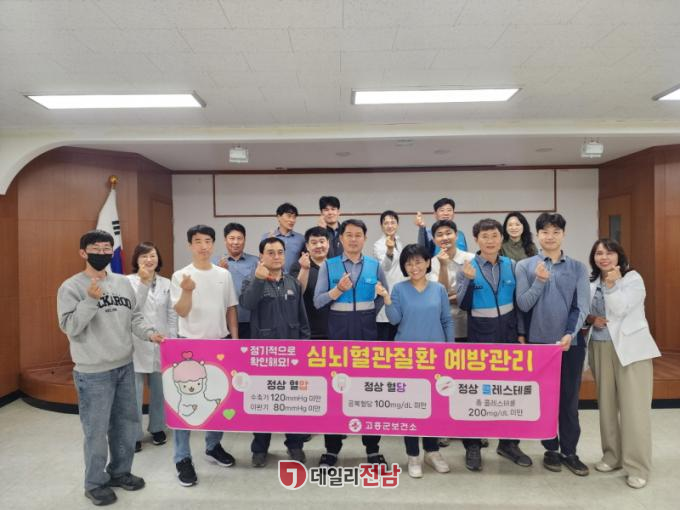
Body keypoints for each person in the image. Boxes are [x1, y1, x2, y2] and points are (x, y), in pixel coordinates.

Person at [57, 229, 163, 506]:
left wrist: (149, 333)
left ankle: (120, 472)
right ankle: (95, 483)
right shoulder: (71, 287)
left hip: (124, 366)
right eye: (96, 248)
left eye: (107, 249)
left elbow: (134, 317)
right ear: (83, 253)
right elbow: (70, 327)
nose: (102, 253)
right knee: (96, 431)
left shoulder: (122, 282)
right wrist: (90, 300)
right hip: (93, 373)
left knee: (126, 425)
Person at [515, 212, 591, 476]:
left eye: (556, 231)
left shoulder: (578, 268)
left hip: (570, 343)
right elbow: (523, 304)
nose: (550, 236)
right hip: (539, 346)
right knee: (545, 401)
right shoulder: (525, 266)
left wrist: (570, 333)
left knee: (569, 401)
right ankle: (551, 449)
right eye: (545, 232)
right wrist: (539, 281)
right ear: (537, 235)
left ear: (563, 234)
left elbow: (581, 306)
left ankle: (570, 452)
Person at [455, 218, 531, 472]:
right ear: (476, 240)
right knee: (477, 392)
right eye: (485, 236)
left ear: (501, 238)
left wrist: (521, 333)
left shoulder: (512, 265)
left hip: (508, 335)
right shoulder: (468, 267)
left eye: (494, 236)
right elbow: (463, 305)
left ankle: (509, 444)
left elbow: (519, 304)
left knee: (509, 391)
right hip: (480, 336)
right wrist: (467, 281)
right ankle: (473, 446)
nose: (490, 241)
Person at [585, 239, 661, 489]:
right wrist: (592, 318)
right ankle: (612, 456)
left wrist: (612, 285)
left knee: (634, 410)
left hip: (631, 349)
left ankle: (638, 466)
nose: (604, 257)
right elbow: (585, 311)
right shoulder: (591, 281)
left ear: (619, 256)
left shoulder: (632, 279)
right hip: (600, 347)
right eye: (599, 253)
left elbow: (619, 309)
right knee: (606, 406)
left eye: (609, 253)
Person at [314, 219, 390, 466]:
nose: (354, 239)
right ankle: (332, 449)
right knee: (335, 392)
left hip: (367, 334)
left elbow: (383, 296)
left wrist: (367, 313)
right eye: (349, 235)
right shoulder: (329, 265)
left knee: (368, 392)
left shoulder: (374, 265)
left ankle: (372, 449)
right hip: (338, 334)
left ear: (365, 238)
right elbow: (318, 301)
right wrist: (337, 290)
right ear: (341, 238)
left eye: (358, 235)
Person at [170, 225, 239, 487]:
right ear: (190, 245)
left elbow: (231, 308)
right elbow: (181, 311)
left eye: (208, 241)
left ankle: (213, 446)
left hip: (220, 344)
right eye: (197, 241)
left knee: (217, 399)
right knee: (183, 403)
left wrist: (235, 341)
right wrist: (187, 290)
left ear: (213, 244)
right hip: (188, 345)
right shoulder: (180, 275)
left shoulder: (224, 274)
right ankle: (182, 457)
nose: (203, 246)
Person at [377, 244, 453, 478]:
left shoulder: (439, 289)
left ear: (428, 262)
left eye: (418, 261)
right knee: (410, 407)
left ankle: (432, 451)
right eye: (409, 263)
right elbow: (394, 320)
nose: (414, 267)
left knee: (433, 406)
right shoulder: (399, 289)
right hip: (406, 357)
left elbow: (447, 320)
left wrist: (450, 351)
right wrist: (387, 299)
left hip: (435, 356)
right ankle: (413, 455)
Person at [240, 237, 311, 467]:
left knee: (293, 402)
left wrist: (304, 347)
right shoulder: (252, 280)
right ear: (261, 256)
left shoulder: (292, 283)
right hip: (264, 354)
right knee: (263, 402)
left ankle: (295, 445)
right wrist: (259, 280)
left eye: (280, 252)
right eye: (270, 252)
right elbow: (247, 304)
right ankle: (260, 448)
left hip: (292, 353)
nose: (276, 256)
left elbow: (302, 318)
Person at [127, 242, 177, 453]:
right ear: (136, 260)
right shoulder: (127, 282)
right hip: (136, 343)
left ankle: (157, 427)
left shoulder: (167, 282)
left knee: (160, 390)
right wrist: (143, 282)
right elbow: (131, 310)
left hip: (162, 342)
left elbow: (172, 313)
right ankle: (134, 434)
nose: (149, 260)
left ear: (158, 258)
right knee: (134, 394)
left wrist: (172, 339)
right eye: (144, 256)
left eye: (152, 255)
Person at [428, 220, 474, 342]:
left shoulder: (471, 259)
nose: (445, 238)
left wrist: (451, 297)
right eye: (440, 235)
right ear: (434, 240)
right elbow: (439, 295)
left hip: (468, 322)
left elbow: (473, 292)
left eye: (448, 233)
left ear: (456, 235)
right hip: (442, 323)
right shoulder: (431, 263)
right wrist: (443, 266)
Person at [215, 223, 259, 339]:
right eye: (232, 238)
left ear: (244, 240)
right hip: (223, 320)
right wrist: (219, 273)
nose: (235, 242)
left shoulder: (255, 261)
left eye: (239, 238)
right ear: (225, 240)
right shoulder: (215, 262)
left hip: (250, 319)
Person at [289, 227, 331, 340]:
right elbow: (296, 294)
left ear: (328, 243)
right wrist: (304, 269)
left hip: (335, 330)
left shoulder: (337, 265)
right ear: (307, 246)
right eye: (314, 242)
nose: (318, 246)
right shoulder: (297, 266)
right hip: (308, 331)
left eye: (322, 241)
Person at [373, 210, 407, 341]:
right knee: (385, 335)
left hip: (400, 293)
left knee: (398, 335)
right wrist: (389, 250)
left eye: (393, 222)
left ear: (397, 225)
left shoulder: (399, 241)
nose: (390, 225)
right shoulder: (378, 245)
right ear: (381, 226)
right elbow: (385, 267)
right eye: (386, 223)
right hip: (386, 293)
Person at [262, 202, 305, 273]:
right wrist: (269, 244)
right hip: (273, 276)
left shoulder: (301, 239)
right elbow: (262, 259)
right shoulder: (267, 237)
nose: (292, 220)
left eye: (294, 217)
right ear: (279, 217)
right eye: (289, 216)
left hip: (294, 277)